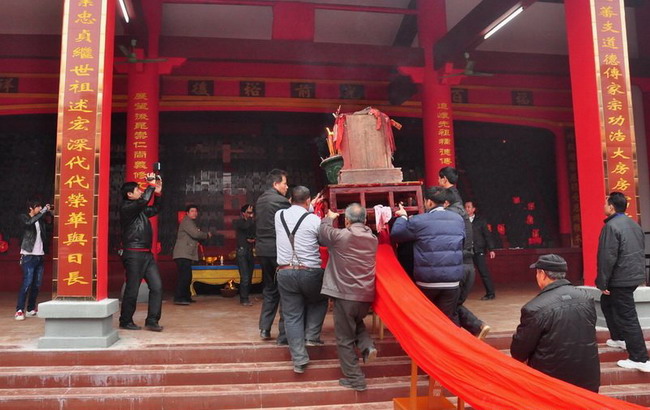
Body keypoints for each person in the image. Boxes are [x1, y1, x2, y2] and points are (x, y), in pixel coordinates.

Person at [511, 254, 600, 392]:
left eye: (537, 273)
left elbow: (518, 352)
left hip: (551, 384)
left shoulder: (534, 308)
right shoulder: (586, 298)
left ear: (542, 274)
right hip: (588, 379)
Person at [320, 204, 378, 392]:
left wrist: (329, 218)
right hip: (365, 295)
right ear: (365, 220)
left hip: (345, 294)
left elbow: (323, 233)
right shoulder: (373, 239)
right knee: (355, 322)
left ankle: (356, 379)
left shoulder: (342, 236)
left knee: (344, 338)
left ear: (346, 220)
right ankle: (367, 346)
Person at [391, 186, 465, 321]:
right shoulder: (458, 219)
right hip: (452, 280)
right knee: (447, 320)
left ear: (429, 202)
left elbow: (396, 235)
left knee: (427, 320)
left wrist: (402, 217)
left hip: (428, 281)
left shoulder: (419, 220)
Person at [275, 186, 328, 374]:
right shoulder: (314, 220)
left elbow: (298, 210)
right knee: (320, 300)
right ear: (307, 201)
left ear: (290, 200)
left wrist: (308, 204)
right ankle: (311, 336)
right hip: (310, 273)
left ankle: (299, 359)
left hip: (285, 272)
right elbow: (324, 241)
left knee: (291, 316)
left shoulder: (279, 216)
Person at [597, 192, 650, 372]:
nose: (604, 206)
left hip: (620, 279)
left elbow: (607, 257)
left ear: (612, 207)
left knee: (628, 317)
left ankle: (640, 358)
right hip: (632, 276)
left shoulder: (611, 227)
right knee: (607, 303)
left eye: (606, 203)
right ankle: (618, 338)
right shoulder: (634, 224)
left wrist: (602, 283)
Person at [438, 168, 489, 337]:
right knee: (452, 304)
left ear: (444, 179)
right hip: (467, 263)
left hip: (457, 264)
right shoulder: (458, 203)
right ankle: (477, 327)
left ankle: (462, 339)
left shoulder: (449, 210)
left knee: (447, 306)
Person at [118, 173, 164, 332]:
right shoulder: (127, 208)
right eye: (137, 189)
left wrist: (158, 192)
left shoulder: (140, 209)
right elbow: (143, 200)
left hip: (146, 254)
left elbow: (156, 208)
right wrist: (151, 185)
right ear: (129, 195)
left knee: (157, 287)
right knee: (132, 289)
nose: (140, 191)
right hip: (133, 253)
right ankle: (125, 320)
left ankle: (152, 320)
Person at [256, 169, 290, 341]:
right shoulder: (281, 201)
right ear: (276, 184)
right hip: (278, 251)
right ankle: (284, 333)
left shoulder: (260, 200)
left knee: (270, 289)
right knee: (285, 290)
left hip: (263, 250)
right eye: (284, 183)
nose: (287, 187)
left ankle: (264, 328)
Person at [15, 199, 51, 321]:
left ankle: (30, 309)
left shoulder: (40, 220)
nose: (40, 209)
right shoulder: (23, 217)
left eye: (41, 207)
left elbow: (48, 229)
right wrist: (43, 211)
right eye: (38, 207)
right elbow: (29, 223)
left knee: (36, 284)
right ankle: (19, 310)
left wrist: (51, 214)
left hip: (39, 256)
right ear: (31, 208)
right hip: (28, 256)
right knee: (27, 283)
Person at [172, 204, 211, 305]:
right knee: (184, 276)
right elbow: (196, 234)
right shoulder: (187, 221)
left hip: (185, 254)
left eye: (196, 211)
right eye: (192, 211)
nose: (195, 213)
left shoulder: (190, 222)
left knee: (187, 276)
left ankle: (186, 296)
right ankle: (179, 298)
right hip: (182, 254)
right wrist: (206, 235)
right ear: (187, 213)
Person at [464, 200, 497, 300]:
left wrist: (491, 249)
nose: (466, 209)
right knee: (464, 273)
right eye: (465, 207)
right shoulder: (462, 220)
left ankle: (490, 293)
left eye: (469, 207)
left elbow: (487, 235)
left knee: (483, 272)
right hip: (466, 251)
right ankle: (461, 295)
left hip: (478, 250)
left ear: (474, 209)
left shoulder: (480, 221)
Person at [233, 203, 255, 306]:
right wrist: (250, 219)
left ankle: (246, 296)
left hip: (250, 250)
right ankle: (244, 298)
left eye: (252, 212)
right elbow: (246, 226)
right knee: (245, 276)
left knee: (249, 276)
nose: (251, 215)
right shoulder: (239, 222)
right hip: (242, 251)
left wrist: (253, 239)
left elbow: (254, 232)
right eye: (249, 212)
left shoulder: (252, 222)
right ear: (243, 213)